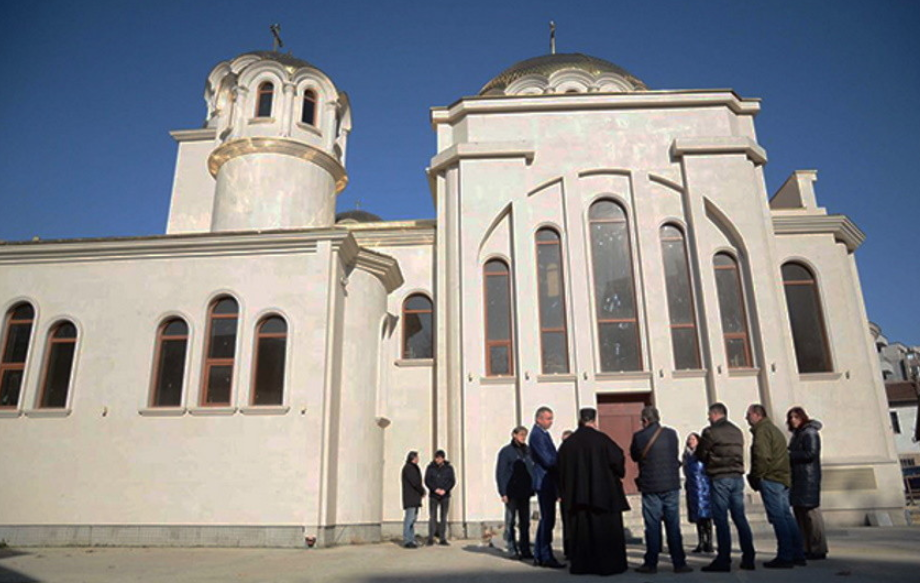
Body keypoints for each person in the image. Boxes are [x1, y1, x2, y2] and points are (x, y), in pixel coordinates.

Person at [557, 407, 630, 575]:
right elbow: (618, 459)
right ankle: (608, 565)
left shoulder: (568, 444)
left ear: (580, 420)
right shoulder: (602, 440)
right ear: (594, 421)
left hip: (577, 496)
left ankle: (582, 565)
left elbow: (560, 469)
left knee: (581, 532)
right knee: (605, 532)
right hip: (603, 495)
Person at [630, 406, 692, 574]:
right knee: (673, 525)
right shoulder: (671, 434)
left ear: (645, 420)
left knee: (652, 526)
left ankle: (651, 563)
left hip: (650, 486)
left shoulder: (639, 436)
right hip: (671, 485)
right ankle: (679, 562)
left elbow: (635, 456)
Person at [746, 404, 806, 569]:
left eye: (748, 415)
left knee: (778, 517)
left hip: (771, 478)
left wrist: (756, 476)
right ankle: (797, 553)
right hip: (782, 478)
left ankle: (785, 555)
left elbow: (762, 457)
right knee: (786, 516)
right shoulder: (773, 430)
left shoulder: (762, 431)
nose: (747, 418)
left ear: (757, 415)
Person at [697, 402, 756, 572]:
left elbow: (701, 454)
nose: (708, 418)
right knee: (740, 518)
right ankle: (749, 556)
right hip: (737, 477)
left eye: (709, 415)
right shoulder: (737, 431)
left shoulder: (710, 432)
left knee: (721, 520)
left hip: (720, 477)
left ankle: (723, 559)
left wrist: (710, 461)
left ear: (715, 414)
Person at [787, 406, 828, 560]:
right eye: (791, 418)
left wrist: (790, 455)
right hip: (798, 478)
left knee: (812, 514)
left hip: (808, 478)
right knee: (800, 514)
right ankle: (805, 546)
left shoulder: (810, 433)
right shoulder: (797, 435)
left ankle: (818, 548)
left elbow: (811, 453)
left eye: (796, 417)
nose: (793, 420)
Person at [528, 406, 565, 568]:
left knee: (547, 519)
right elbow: (548, 459)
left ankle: (540, 553)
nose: (550, 422)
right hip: (544, 480)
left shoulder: (543, 434)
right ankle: (545, 555)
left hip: (548, 480)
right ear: (539, 419)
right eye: (548, 418)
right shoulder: (537, 435)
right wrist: (561, 462)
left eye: (551, 419)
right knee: (547, 518)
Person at [495, 426, 535, 560]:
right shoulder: (506, 452)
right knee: (511, 521)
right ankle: (512, 548)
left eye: (525, 435)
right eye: (521, 435)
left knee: (525, 522)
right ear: (514, 435)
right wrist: (503, 492)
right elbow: (500, 473)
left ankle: (525, 549)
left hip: (525, 491)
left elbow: (532, 469)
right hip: (511, 492)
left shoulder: (528, 451)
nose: (523, 437)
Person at [682, 433, 713, 553]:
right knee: (698, 517)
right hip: (692, 488)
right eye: (689, 439)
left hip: (704, 487)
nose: (691, 441)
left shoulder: (702, 454)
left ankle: (709, 542)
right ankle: (700, 542)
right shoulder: (686, 454)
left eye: (693, 439)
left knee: (706, 516)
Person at [424, 450, 456, 546]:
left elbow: (452, 481)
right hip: (434, 495)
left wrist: (445, 490)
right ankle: (431, 537)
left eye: (440, 458)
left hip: (445, 496)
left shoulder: (449, 468)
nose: (438, 460)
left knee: (443, 517)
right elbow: (427, 480)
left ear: (443, 458)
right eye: (437, 458)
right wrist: (435, 489)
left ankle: (442, 538)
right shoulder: (430, 468)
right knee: (433, 517)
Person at [400, 450, 425, 548]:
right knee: (409, 519)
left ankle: (411, 539)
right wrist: (422, 491)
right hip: (411, 498)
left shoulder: (413, 468)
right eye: (417, 457)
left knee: (413, 519)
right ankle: (407, 540)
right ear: (413, 458)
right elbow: (415, 482)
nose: (418, 459)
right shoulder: (409, 468)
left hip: (414, 497)